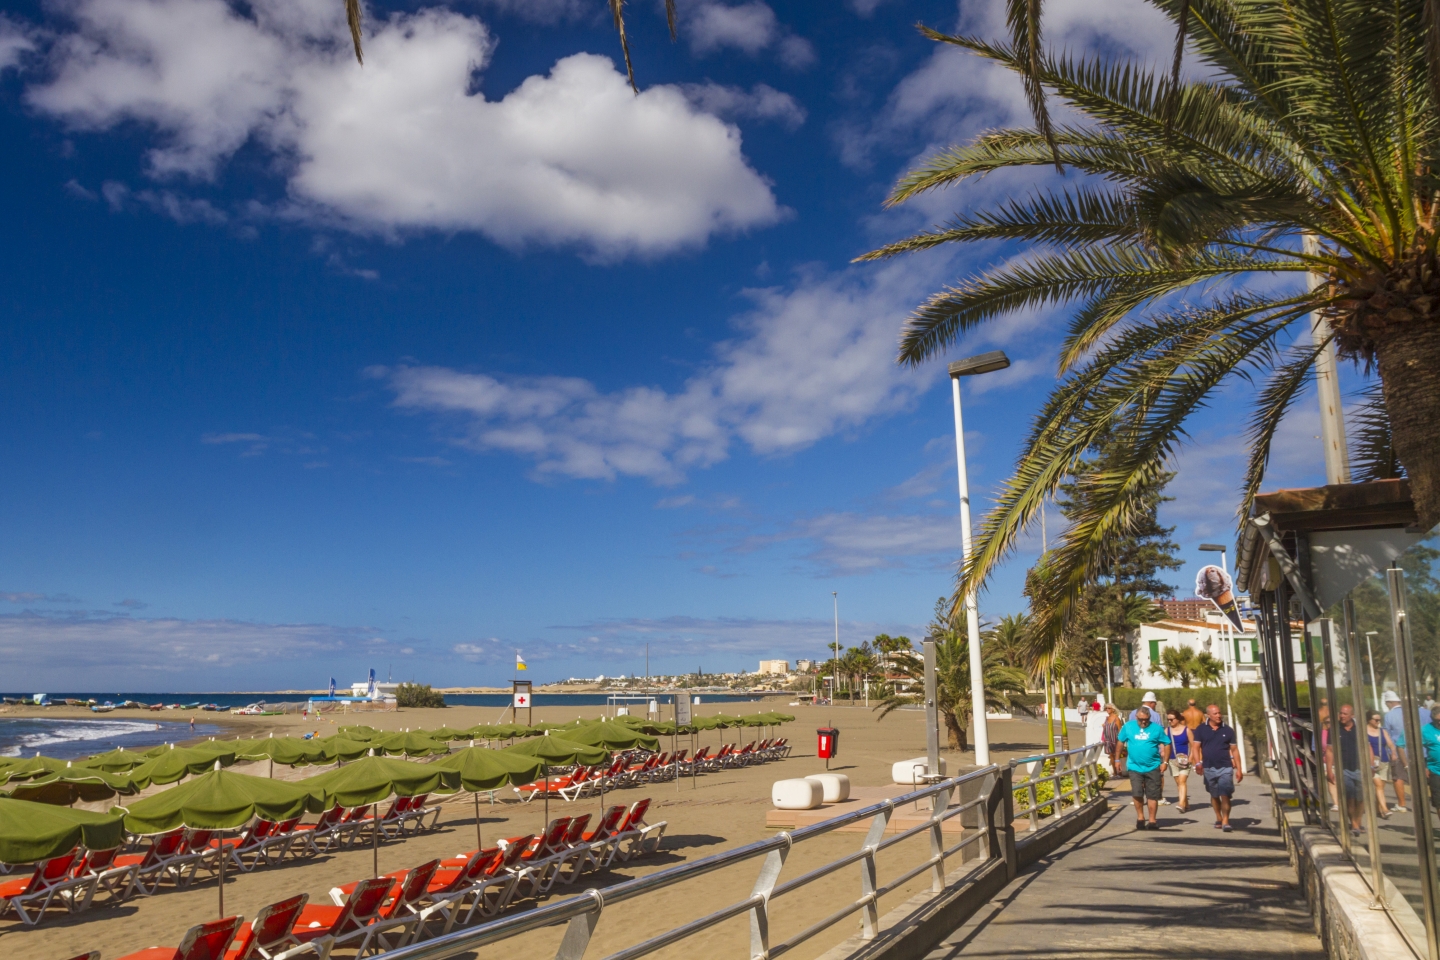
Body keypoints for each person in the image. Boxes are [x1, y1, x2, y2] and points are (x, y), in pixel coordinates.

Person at [1191, 703, 1243, 831]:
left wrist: (1239, 770)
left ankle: (1226, 821)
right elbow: (1196, 747)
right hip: (1208, 767)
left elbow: (1235, 750)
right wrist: (1198, 763)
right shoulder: (1201, 729)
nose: (1219, 716)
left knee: (1225, 794)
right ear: (1208, 715)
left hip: (1225, 767)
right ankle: (1218, 817)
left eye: (1219, 713)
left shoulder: (1228, 730)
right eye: (1215, 713)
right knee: (1214, 795)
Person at [1118, 706, 1171, 830]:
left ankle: (1152, 820)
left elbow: (1167, 743)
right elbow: (1120, 741)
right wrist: (1116, 759)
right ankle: (1140, 818)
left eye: (1146, 719)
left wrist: (1165, 762)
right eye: (1141, 719)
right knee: (1137, 793)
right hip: (1134, 766)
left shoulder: (1157, 729)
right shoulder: (1128, 727)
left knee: (1152, 795)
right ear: (1136, 717)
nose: (1143, 722)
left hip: (1153, 766)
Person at [1383, 690, 1428, 812]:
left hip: (1399, 750)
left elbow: (1386, 734)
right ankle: (1424, 803)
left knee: (1398, 777)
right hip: (1424, 751)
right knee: (1423, 777)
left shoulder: (1389, 715)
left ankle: (1402, 804)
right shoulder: (1426, 713)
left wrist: (1391, 751)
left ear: (1389, 702)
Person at [1325, 703, 1365, 836]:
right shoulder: (1334, 729)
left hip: (1359, 767)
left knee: (1360, 798)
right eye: (1340, 713)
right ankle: (1354, 824)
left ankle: (1357, 821)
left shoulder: (1359, 729)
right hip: (1344, 768)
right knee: (1349, 797)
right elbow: (1330, 750)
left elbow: (1367, 747)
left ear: (1352, 715)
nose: (1341, 716)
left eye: (1345, 714)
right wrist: (1330, 770)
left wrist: (1370, 766)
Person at [1366, 710, 1396, 818]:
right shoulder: (1363, 731)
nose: (1378, 722)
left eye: (1379, 720)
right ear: (1369, 720)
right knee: (1378, 785)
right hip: (1370, 762)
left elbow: (1390, 744)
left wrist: (1393, 752)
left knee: (1381, 787)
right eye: (1376, 720)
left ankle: (1378, 809)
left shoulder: (1383, 731)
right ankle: (1385, 809)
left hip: (1383, 761)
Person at [1166, 710, 1192, 812]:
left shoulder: (1187, 730)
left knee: (1182, 781)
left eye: (1172, 719)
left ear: (1177, 719)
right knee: (1178, 782)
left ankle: (1181, 804)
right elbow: (1163, 745)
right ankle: (1186, 803)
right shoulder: (1167, 731)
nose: (1169, 721)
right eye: (1168, 719)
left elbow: (1193, 746)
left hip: (1184, 760)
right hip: (1172, 760)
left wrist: (1191, 758)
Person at [1421, 708, 1440, 816]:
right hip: (1436, 771)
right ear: (1432, 719)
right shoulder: (1425, 730)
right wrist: (1424, 766)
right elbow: (1418, 750)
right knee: (1439, 802)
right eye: (1438, 720)